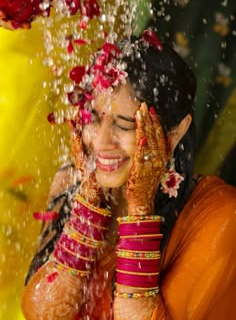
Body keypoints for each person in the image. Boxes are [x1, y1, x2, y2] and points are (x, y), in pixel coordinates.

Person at [12, 27, 235, 320]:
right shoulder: (70, 183)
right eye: (92, 118)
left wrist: (140, 208)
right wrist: (90, 202)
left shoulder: (222, 217)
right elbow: (42, 314)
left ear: (175, 132)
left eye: (125, 124)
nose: (101, 142)